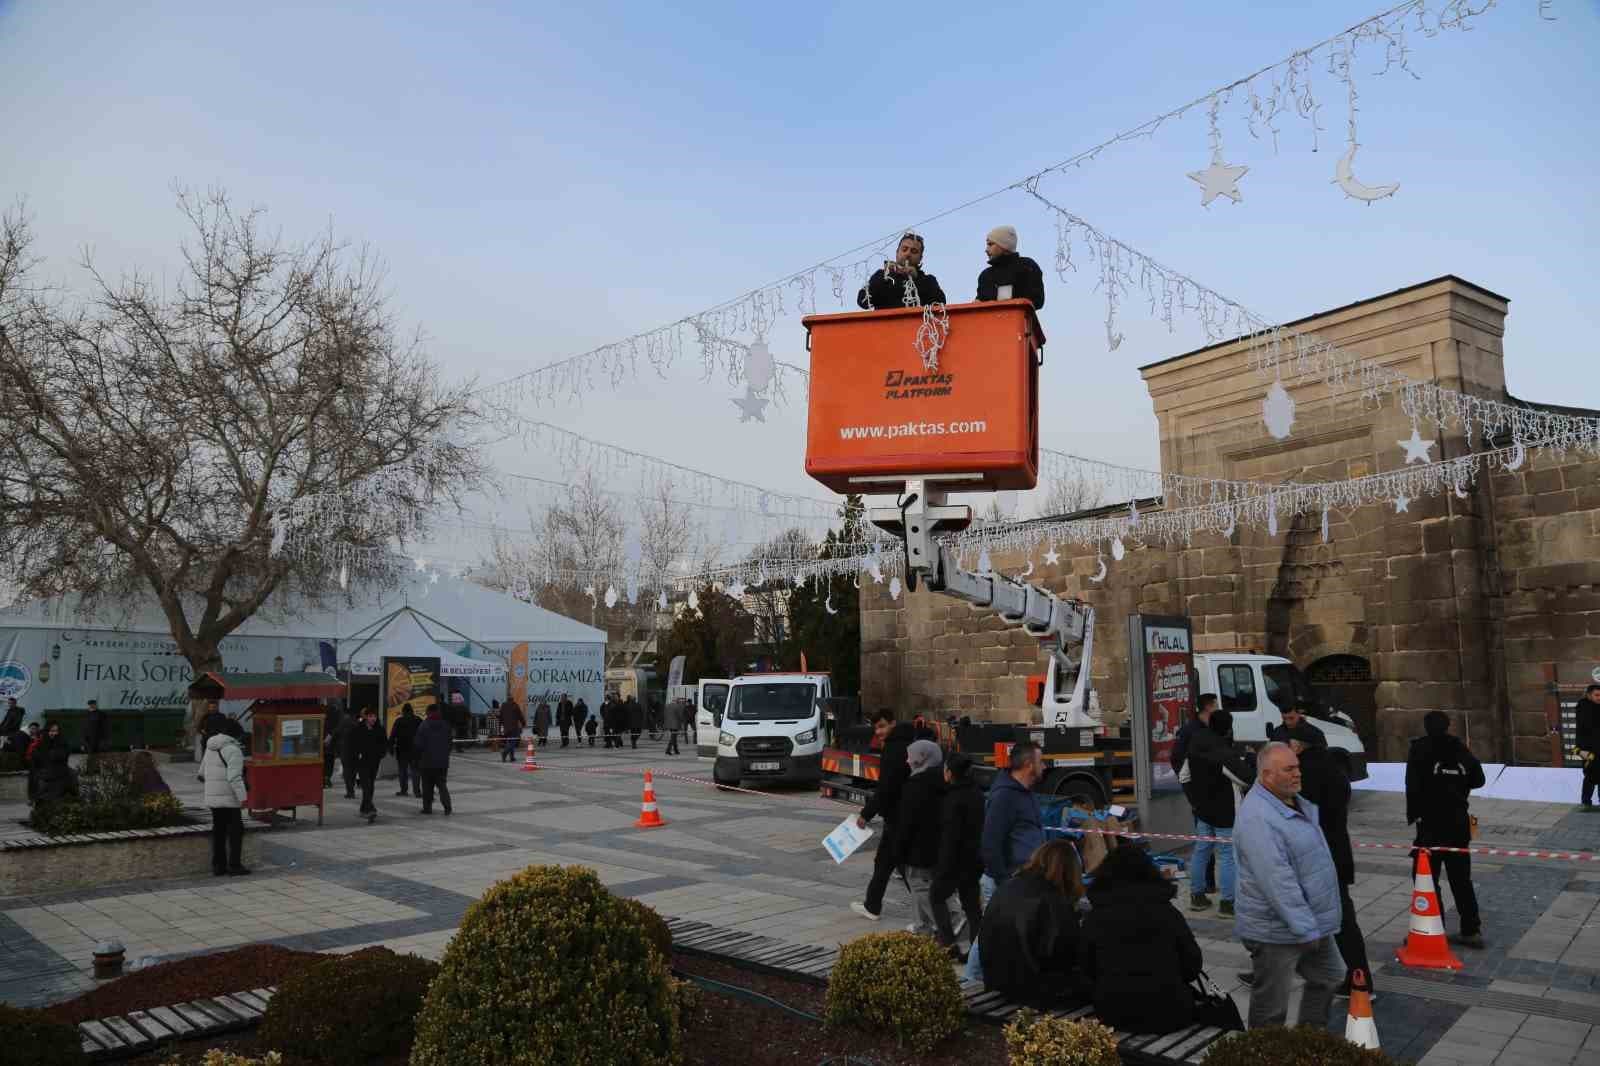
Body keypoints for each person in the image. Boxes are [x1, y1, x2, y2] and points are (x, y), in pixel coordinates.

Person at [1233, 741, 1345, 1029]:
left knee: (1330, 974)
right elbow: (1277, 881)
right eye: (1289, 769)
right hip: (1276, 928)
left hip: (1306, 920)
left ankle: (1308, 1036)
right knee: (1271, 1008)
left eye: (1297, 767)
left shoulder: (1291, 800)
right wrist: (1305, 927)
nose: (1298, 773)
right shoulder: (1258, 818)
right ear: (1267, 775)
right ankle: (1264, 1050)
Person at [1082, 846, 1205, 1034]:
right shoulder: (1168, 913)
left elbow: (1087, 967)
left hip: (1113, 1011)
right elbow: (1192, 965)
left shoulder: (1095, 917)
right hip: (1171, 1011)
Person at [967, 740, 1047, 982]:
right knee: (989, 933)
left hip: (1021, 879)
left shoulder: (1025, 793)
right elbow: (990, 843)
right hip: (1005, 880)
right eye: (1041, 761)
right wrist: (1004, 880)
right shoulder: (1004, 797)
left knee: (1005, 932)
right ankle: (971, 980)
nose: (1044, 766)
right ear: (1028, 764)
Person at [1406, 710, 1486, 949]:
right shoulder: (1460, 749)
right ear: (1448, 726)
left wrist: (1415, 814)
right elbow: (1478, 780)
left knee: (1426, 878)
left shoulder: (1419, 749)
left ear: (1426, 726)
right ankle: (1471, 930)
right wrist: (1457, 787)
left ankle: (1433, 928)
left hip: (1430, 825)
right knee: (1461, 880)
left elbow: (1412, 785)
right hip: (1459, 823)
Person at [1300, 744, 1373, 997]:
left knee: (1339, 922)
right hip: (1336, 858)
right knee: (1340, 921)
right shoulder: (1338, 780)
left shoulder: (1314, 780)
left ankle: (1357, 980)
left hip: (1321, 861)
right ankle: (1357, 978)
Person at [978, 840, 1086, 1006]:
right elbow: (1066, 955)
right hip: (1035, 990)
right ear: (1070, 871)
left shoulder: (1008, 886)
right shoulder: (1053, 900)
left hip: (997, 981)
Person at [1186, 708, 1252, 916]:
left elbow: (1184, 775)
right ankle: (1227, 903)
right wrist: (1249, 759)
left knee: (1201, 851)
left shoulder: (1195, 745)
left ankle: (1197, 896)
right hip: (1225, 813)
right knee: (1227, 856)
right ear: (1228, 729)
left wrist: (1194, 800)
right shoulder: (1224, 753)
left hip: (1202, 810)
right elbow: (1246, 779)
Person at [850, 711, 916, 922]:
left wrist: (866, 814)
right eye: (876, 727)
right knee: (886, 862)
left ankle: (934, 913)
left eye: (882, 726)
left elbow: (887, 787)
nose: (878, 732)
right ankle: (872, 905)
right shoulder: (908, 742)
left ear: (893, 724)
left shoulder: (894, 748)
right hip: (902, 814)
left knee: (905, 868)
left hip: (899, 816)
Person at [931, 751, 985, 961]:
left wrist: (942, 867)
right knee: (972, 908)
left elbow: (950, 837)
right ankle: (975, 952)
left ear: (950, 773)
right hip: (974, 859)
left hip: (955, 862)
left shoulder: (953, 798)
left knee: (936, 895)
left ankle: (948, 942)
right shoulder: (976, 793)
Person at [893, 739, 946, 937]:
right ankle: (922, 925)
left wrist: (898, 848)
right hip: (937, 845)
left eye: (911, 756)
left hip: (918, 847)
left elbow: (906, 821)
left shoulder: (915, 785)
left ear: (922, 758)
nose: (908, 761)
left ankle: (947, 924)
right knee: (923, 885)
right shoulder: (942, 780)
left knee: (919, 885)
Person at [1172, 694, 1220, 898]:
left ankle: (1208, 885)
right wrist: (1191, 792)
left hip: (1218, 794)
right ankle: (1206, 884)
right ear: (1208, 708)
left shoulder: (1214, 727)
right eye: (1216, 705)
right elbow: (1177, 760)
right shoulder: (1189, 731)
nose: (1218, 709)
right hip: (1200, 795)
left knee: (1217, 844)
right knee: (1205, 843)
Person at [201, 717, 250, 876]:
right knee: (236, 831)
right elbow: (234, 777)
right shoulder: (233, 750)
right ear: (236, 734)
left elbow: (201, 773)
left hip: (213, 798)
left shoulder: (210, 746)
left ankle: (218, 866)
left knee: (219, 830)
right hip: (229, 797)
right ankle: (235, 866)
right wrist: (243, 798)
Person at [856, 232, 947, 310]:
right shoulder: (881, 275)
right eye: (904, 249)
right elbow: (863, 301)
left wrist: (916, 279)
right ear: (897, 253)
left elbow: (940, 304)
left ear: (920, 258)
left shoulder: (928, 280)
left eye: (914, 251)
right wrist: (886, 275)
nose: (908, 254)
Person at [975, 226, 1044, 309]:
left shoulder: (1027, 266)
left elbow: (1037, 300)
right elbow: (979, 303)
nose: (986, 250)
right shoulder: (985, 275)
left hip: (1017, 316)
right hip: (990, 318)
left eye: (990, 244)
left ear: (1004, 246)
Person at [414, 703, 454, 816]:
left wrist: (417, 759)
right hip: (442, 763)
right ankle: (447, 807)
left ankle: (427, 808)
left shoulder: (423, 725)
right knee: (442, 785)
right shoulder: (445, 725)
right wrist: (445, 754)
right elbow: (450, 743)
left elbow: (418, 745)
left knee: (427, 786)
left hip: (426, 762)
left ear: (428, 712)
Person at [353, 706, 387, 824]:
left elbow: (384, 743)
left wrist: (381, 754)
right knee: (366, 785)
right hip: (362, 762)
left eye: (374, 716)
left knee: (370, 785)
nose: (373, 718)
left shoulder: (379, 729)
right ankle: (370, 809)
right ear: (366, 717)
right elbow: (352, 743)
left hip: (374, 762)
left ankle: (364, 808)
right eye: (370, 716)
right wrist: (356, 755)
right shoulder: (359, 729)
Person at [31, 722, 74, 803]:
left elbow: (63, 756)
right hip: (44, 774)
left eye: (56, 731)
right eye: (51, 731)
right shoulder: (41, 744)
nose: (54, 733)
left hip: (59, 774)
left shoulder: (63, 743)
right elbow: (36, 760)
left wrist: (52, 754)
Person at [1575, 684, 1600, 810]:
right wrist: (1580, 750)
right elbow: (1581, 731)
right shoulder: (1583, 708)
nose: (1599, 697)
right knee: (1590, 777)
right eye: (1597, 695)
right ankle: (1586, 803)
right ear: (1589, 695)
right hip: (1588, 751)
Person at [389, 704, 421, 797]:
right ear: (412, 711)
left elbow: (393, 735)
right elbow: (423, 734)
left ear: (403, 712)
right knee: (415, 771)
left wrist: (390, 748)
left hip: (402, 750)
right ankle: (417, 791)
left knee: (402, 771)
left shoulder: (399, 721)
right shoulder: (418, 720)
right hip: (415, 750)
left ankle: (404, 790)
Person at [337, 709, 361, 798]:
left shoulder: (343, 723)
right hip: (355, 751)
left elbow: (337, 733)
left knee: (347, 772)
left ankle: (350, 791)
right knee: (353, 771)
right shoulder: (357, 724)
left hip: (345, 751)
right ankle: (351, 790)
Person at [499, 698, 525, 762]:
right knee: (513, 742)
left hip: (506, 727)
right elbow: (520, 715)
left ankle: (512, 757)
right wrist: (523, 723)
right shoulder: (515, 705)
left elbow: (500, 716)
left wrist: (500, 725)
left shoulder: (503, 706)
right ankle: (505, 752)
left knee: (509, 742)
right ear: (513, 700)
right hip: (514, 727)